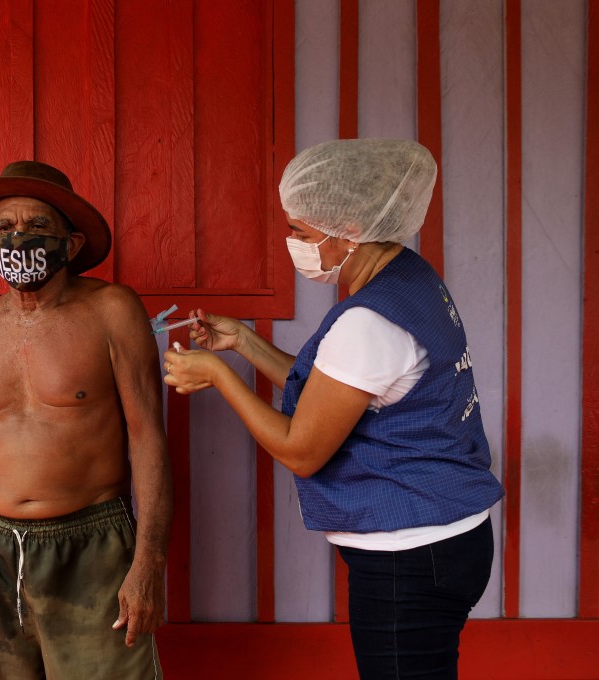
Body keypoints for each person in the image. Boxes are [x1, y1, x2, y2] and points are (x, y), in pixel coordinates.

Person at [163, 138, 504, 679]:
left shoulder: (367, 322)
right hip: (449, 536)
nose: (291, 241)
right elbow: (342, 387)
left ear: (346, 230)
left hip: (408, 557)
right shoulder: (409, 276)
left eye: (299, 231)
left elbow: (303, 450)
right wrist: (246, 345)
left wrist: (219, 377)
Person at [0, 160, 172, 679]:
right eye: (4, 228)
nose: (18, 238)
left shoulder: (111, 310)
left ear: (71, 244)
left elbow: (148, 441)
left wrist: (148, 566)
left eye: (37, 227)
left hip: (91, 547)